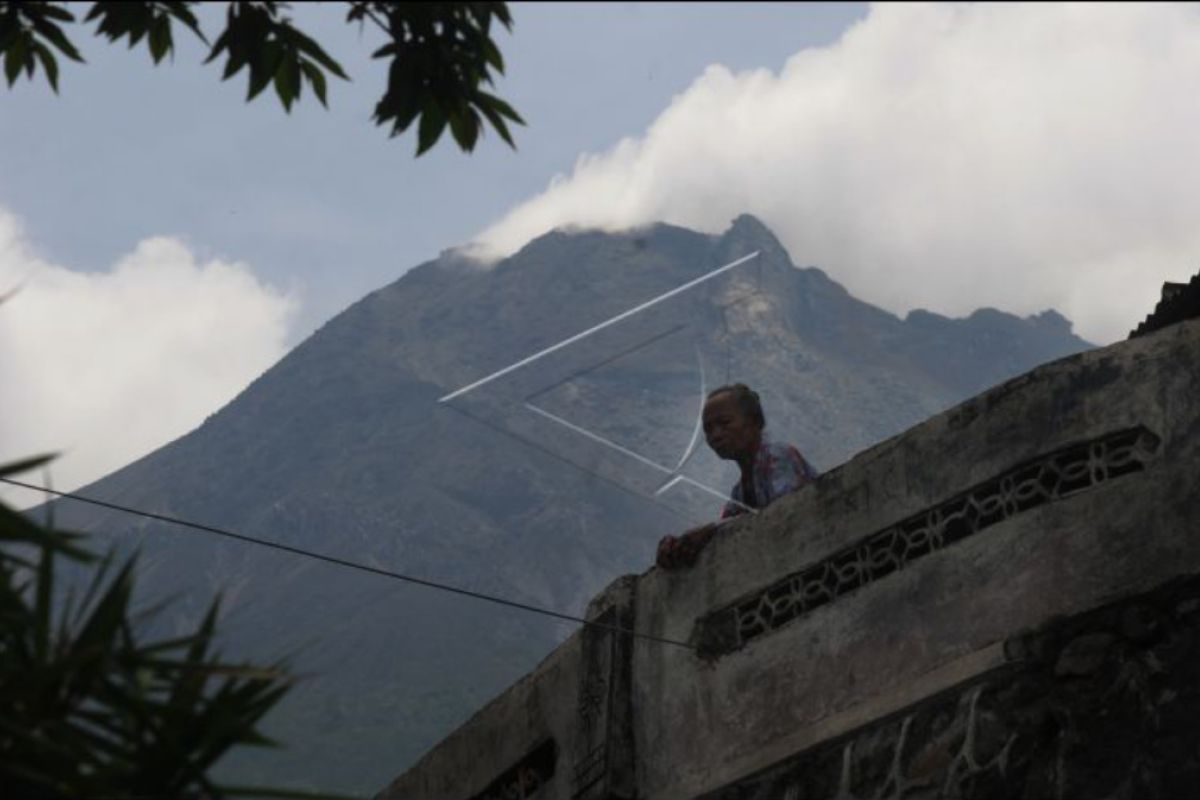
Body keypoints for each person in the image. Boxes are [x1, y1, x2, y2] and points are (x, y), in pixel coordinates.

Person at [656, 384, 818, 570]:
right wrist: (679, 546)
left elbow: (785, 512)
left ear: (756, 421)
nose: (715, 435)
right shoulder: (739, 493)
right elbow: (727, 527)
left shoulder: (779, 457)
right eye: (708, 429)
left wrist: (709, 531)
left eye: (725, 423)